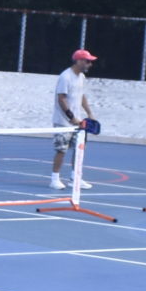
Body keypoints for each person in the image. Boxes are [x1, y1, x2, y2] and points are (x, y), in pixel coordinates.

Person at [49, 47, 95, 191]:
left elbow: (82, 96)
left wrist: (89, 113)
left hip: (78, 121)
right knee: (61, 150)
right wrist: (71, 117)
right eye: (87, 61)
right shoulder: (65, 76)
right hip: (63, 122)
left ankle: (75, 177)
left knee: (79, 149)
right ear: (79, 61)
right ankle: (54, 179)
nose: (89, 64)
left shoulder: (81, 77)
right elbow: (61, 99)